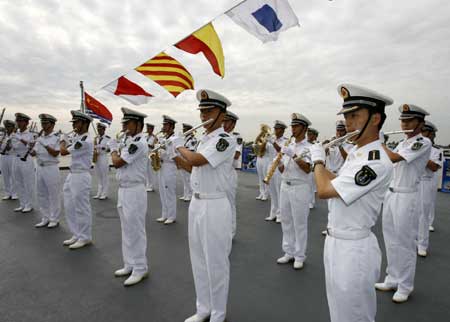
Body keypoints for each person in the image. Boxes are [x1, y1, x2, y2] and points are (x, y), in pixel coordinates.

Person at [310, 83, 394, 322]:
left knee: (355, 315)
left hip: (354, 249)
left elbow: (324, 190)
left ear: (375, 118)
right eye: (346, 116)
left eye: (355, 115)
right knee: (338, 312)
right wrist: (323, 164)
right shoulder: (358, 153)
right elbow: (337, 183)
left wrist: (317, 161)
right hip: (336, 242)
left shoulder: (376, 160)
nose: (348, 122)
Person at [174, 89, 236, 322]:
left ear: (222, 115)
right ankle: (203, 309)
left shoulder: (225, 140)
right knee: (198, 260)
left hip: (215, 206)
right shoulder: (203, 140)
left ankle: (218, 313)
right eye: (201, 111)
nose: (203, 116)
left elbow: (198, 159)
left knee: (216, 262)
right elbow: (194, 167)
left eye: (208, 111)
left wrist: (180, 146)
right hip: (197, 204)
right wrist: (175, 156)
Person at [375, 104, 432, 303]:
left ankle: (405, 285)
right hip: (391, 195)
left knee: (406, 243)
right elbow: (387, 161)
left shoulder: (422, 142)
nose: (404, 123)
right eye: (402, 120)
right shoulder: (402, 143)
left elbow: (394, 158)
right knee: (390, 239)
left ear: (420, 123)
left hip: (407, 196)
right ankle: (392, 278)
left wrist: (379, 141)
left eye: (409, 120)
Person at [109, 107, 149, 286]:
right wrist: (117, 148)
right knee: (126, 229)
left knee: (136, 230)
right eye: (123, 123)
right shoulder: (129, 141)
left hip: (134, 191)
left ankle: (140, 267)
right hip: (124, 189)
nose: (124, 126)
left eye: (128, 123)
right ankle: (129, 264)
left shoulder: (138, 143)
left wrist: (113, 150)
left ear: (138, 124)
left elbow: (117, 163)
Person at [276, 113, 313, 270]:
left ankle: (299, 255)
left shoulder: (311, 147)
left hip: (300, 186)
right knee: (286, 220)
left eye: (296, 126)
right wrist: (278, 165)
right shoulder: (289, 145)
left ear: (304, 128)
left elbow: (307, 169)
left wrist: (294, 156)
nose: (293, 129)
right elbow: (284, 168)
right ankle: (289, 251)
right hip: (285, 185)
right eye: (292, 126)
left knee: (299, 222)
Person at [60, 110, 94, 250]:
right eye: (73, 122)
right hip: (72, 174)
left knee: (81, 208)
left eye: (76, 122)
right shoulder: (78, 138)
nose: (74, 125)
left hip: (81, 175)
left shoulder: (86, 140)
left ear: (85, 123)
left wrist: (63, 140)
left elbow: (63, 152)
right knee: (69, 206)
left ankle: (85, 237)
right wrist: (68, 140)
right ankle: (76, 233)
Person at [417, 121, 442, 257]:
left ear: (432, 134)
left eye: (425, 131)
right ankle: (412, 240)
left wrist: (422, 154)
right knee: (410, 214)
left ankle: (422, 244)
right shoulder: (414, 145)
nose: (422, 134)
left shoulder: (436, 150)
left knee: (423, 216)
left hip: (426, 182)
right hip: (412, 182)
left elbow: (434, 167)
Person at [32, 114, 61, 228]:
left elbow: (55, 153)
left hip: (51, 167)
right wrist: (30, 148)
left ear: (52, 124)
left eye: (45, 123)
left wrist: (43, 144)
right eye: (42, 123)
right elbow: (34, 153)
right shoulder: (40, 137)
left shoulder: (57, 137)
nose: (43, 125)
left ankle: (54, 218)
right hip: (39, 167)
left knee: (53, 194)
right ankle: (45, 217)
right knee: (41, 194)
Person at [156, 115, 178, 225]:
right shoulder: (163, 138)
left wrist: (165, 151)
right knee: (162, 191)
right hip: (161, 166)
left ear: (171, 126)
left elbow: (177, 154)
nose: (163, 127)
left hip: (170, 166)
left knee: (169, 192)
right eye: (163, 124)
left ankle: (171, 216)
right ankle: (164, 214)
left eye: (165, 125)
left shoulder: (175, 139)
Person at [264, 120, 288, 222]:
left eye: (277, 129)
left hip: (279, 167)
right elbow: (262, 152)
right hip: (270, 166)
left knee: (279, 192)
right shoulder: (271, 140)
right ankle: (273, 213)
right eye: (275, 128)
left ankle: (280, 215)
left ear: (282, 130)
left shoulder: (285, 141)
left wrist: (272, 142)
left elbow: (281, 151)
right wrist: (264, 142)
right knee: (272, 192)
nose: (275, 130)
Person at [222, 110, 241, 238]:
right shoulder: (219, 136)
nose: (224, 124)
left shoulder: (236, 137)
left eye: (227, 121)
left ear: (233, 124)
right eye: (223, 121)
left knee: (229, 204)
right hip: (219, 174)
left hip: (229, 174)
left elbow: (236, 155)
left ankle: (231, 231)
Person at [12, 113, 35, 213]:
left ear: (26, 123)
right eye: (17, 121)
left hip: (26, 160)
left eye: (21, 121)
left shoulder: (31, 135)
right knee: (18, 182)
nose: (18, 123)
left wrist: (20, 139)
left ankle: (28, 205)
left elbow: (31, 147)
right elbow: (14, 147)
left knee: (27, 183)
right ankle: (22, 204)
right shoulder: (14, 134)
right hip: (16, 159)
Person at [0, 120, 18, 200]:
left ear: (13, 127)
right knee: (5, 175)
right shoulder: (2, 136)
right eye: (6, 127)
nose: (7, 128)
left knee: (13, 175)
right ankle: (7, 193)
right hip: (3, 156)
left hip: (12, 156)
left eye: (9, 126)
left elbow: (12, 148)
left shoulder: (15, 136)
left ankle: (14, 193)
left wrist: (9, 144)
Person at [179, 123, 197, 202]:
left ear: (189, 131)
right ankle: (186, 194)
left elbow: (191, 151)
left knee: (189, 179)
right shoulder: (184, 139)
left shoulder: (192, 139)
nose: (183, 131)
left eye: (185, 129)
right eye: (183, 129)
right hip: (183, 160)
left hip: (187, 161)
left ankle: (190, 195)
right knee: (184, 179)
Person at [92, 122, 111, 200]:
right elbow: (93, 147)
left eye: (100, 129)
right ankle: (99, 193)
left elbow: (109, 149)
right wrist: (94, 147)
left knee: (104, 176)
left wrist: (102, 147)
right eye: (98, 129)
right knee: (99, 176)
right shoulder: (96, 138)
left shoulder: (108, 138)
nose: (99, 130)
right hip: (97, 157)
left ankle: (104, 193)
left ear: (104, 129)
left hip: (103, 157)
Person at [307, 127, 319, 209]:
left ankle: (311, 202)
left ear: (315, 136)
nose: (308, 136)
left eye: (310, 134)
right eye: (308, 134)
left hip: (312, 169)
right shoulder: (305, 144)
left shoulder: (316, 146)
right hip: (304, 168)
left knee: (311, 187)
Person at [145, 123, 157, 192]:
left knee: (151, 172)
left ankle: (151, 186)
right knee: (146, 171)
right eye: (147, 128)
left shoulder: (154, 137)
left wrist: (148, 145)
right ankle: (147, 185)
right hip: (146, 155)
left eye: (148, 128)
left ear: (152, 129)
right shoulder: (146, 137)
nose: (147, 130)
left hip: (151, 155)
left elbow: (154, 147)